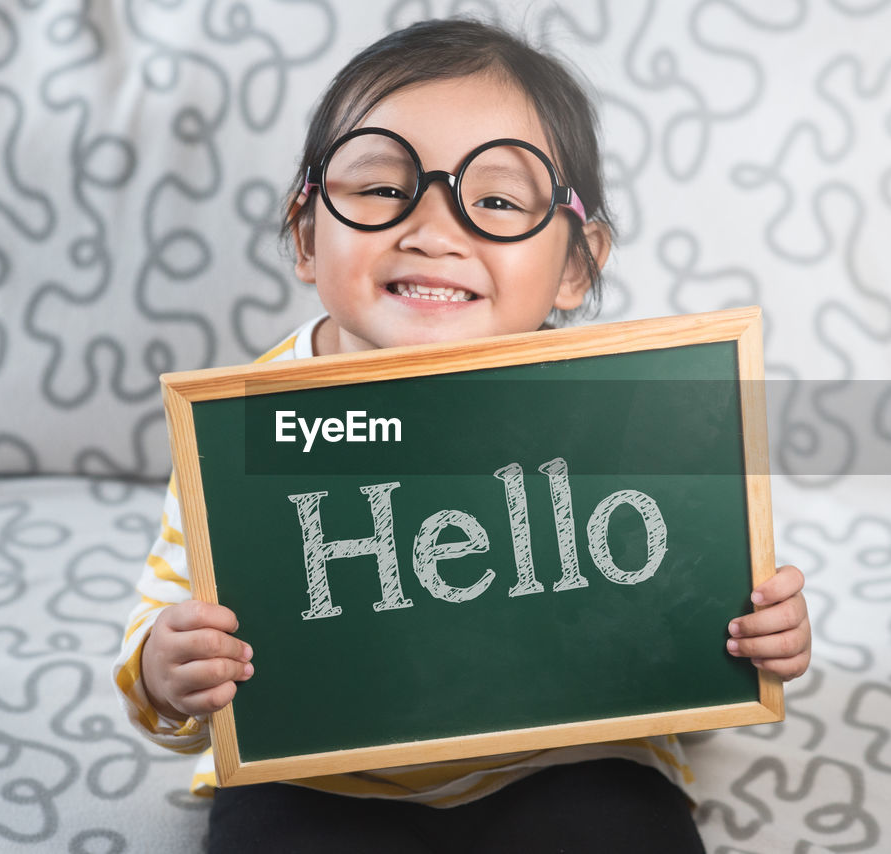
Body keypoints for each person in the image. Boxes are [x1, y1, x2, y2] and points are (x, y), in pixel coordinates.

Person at [114, 17, 812, 853]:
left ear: (576, 266)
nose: (436, 230)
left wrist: (753, 631)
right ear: (308, 234)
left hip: (570, 754)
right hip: (319, 769)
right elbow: (169, 619)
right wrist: (167, 667)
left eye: (496, 201)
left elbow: (683, 585)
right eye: (380, 189)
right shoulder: (246, 426)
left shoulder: (613, 409)